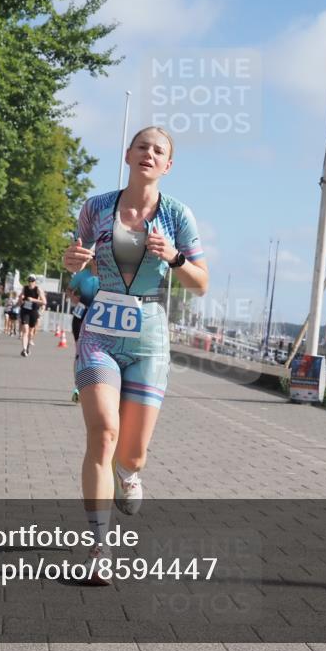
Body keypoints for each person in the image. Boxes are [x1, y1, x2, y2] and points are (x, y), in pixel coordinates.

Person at [62, 126, 209, 584]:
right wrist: (73, 263)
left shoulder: (178, 216)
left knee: (133, 452)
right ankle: (100, 547)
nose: (149, 153)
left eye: (159, 150)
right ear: (128, 154)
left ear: (168, 165)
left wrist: (176, 260)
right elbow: (77, 266)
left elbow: (201, 283)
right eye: (142, 146)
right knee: (103, 433)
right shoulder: (97, 208)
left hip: (148, 334)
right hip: (100, 332)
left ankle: (129, 473)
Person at [67, 268, 100, 402]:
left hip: (98, 317)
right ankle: (77, 387)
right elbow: (69, 289)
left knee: (96, 353)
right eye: (94, 257)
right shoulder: (82, 275)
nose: (96, 260)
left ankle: (94, 386)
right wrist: (73, 297)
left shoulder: (108, 274)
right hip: (81, 314)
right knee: (79, 353)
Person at [18, 276, 46, 357]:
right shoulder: (25, 288)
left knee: (30, 332)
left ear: (35, 281)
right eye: (29, 280)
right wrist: (20, 299)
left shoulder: (38, 289)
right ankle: (23, 350)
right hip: (25, 311)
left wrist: (33, 300)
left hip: (33, 311)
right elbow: (20, 297)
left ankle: (27, 347)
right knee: (25, 330)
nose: (30, 282)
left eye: (32, 280)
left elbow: (44, 302)